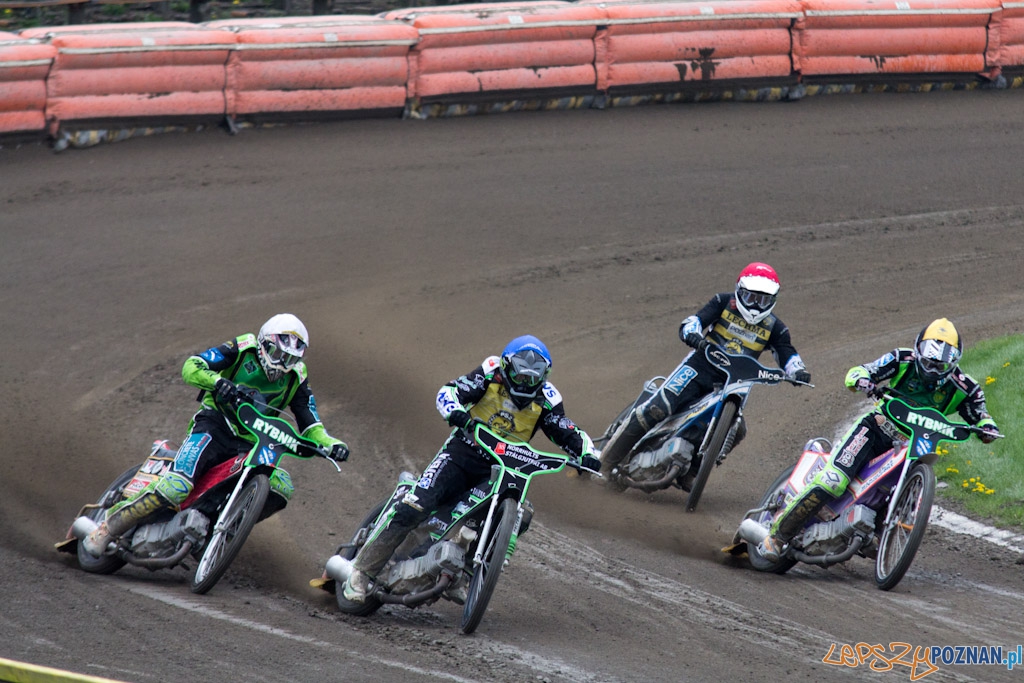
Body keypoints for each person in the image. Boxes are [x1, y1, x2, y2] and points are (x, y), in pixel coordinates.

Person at [341, 334, 600, 603]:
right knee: (416, 506)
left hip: (501, 470)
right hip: (461, 454)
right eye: (520, 376)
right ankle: (361, 572)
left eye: (533, 379)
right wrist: (455, 412)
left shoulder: (548, 398)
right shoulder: (490, 372)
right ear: (506, 367)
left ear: (544, 376)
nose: (525, 383)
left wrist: (587, 454)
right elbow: (449, 391)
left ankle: (463, 573)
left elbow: (567, 430)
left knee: (519, 515)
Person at [82, 313, 350, 557]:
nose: (282, 364)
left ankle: (218, 530)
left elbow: (311, 423)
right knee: (177, 486)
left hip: (252, 442)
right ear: (263, 343)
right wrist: (219, 382)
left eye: (291, 359)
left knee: (282, 485)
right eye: (277, 354)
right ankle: (108, 527)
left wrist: (331, 444)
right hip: (213, 425)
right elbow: (192, 366)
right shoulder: (242, 348)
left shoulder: (297, 377)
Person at [758, 317, 1001, 562]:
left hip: (914, 446)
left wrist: (987, 427)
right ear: (918, 351)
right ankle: (777, 537)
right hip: (875, 431)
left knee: (907, 490)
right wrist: (863, 380)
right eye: (928, 361)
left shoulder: (966, 387)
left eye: (940, 365)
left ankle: (875, 532)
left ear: (954, 363)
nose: (932, 368)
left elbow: (982, 415)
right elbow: (859, 371)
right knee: (834, 480)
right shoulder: (901, 358)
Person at [600, 262, 811, 483]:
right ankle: (605, 463)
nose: (756, 305)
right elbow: (694, 321)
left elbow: (786, 353)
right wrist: (692, 334)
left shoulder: (775, 327)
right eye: (750, 297)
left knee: (736, 430)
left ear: (773, 300)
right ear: (739, 291)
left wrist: (798, 371)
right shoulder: (722, 302)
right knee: (658, 408)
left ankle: (692, 472)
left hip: (736, 382)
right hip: (699, 367)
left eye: (763, 300)